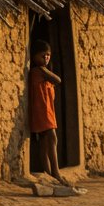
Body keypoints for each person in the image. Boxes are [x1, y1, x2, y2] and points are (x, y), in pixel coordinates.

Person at [27, 39, 72, 188]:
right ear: (34, 56)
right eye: (42, 56)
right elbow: (58, 79)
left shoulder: (42, 72)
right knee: (52, 137)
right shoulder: (38, 71)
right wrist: (44, 69)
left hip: (47, 110)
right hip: (41, 110)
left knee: (45, 142)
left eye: (48, 55)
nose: (46, 58)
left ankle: (48, 173)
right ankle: (56, 172)